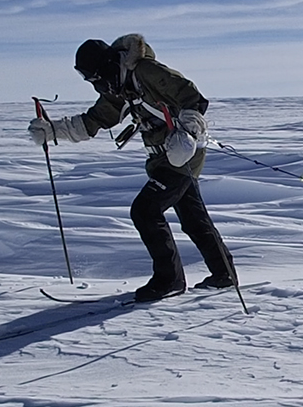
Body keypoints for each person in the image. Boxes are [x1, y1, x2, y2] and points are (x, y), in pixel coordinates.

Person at [28, 33, 237, 302]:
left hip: (182, 155)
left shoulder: (146, 72)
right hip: (162, 158)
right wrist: (53, 131)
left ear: (108, 67)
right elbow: (95, 121)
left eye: (95, 78)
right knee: (193, 219)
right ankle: (224, 274)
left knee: (145, 211)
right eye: (89, 81)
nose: (95, 85)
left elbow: (192, 98)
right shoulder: (119, 88)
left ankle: (169, 280)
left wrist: (188, 133)